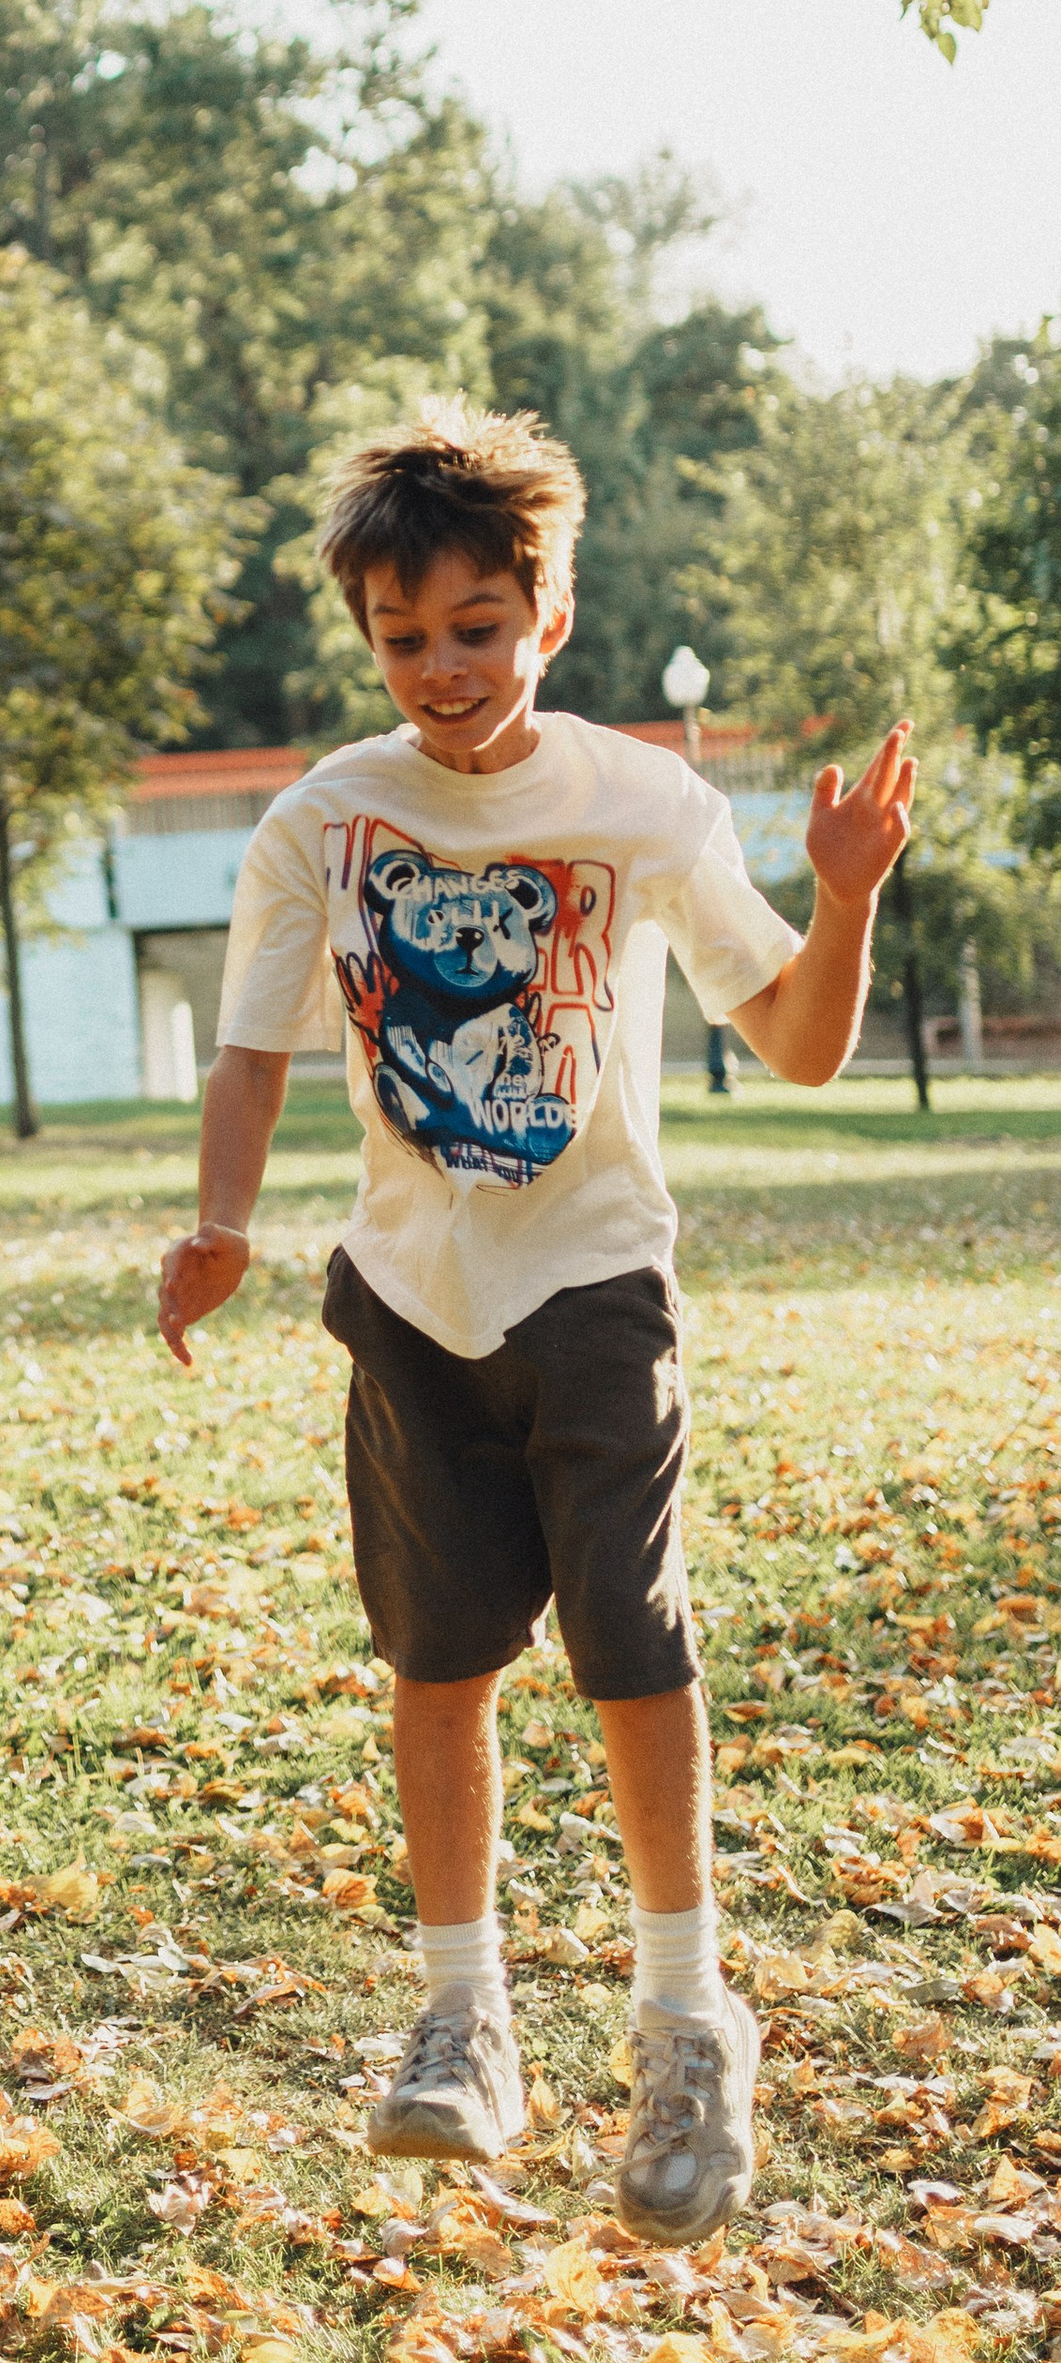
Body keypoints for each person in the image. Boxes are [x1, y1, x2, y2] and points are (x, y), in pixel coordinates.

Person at [156, 400, 914, 2246]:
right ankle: (462, 2016)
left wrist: (845, 898)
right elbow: (253, 1050)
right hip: (413, 1301)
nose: (440, 670)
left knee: (631, 1647)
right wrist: (220, 1226)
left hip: (594, 1286)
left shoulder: (639, 800)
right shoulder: (325, 822)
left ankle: (683, 2017)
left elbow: (802, 1047)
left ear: (546, 621)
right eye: (404, 639)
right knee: (439, 1662)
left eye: (476, 630)